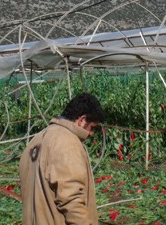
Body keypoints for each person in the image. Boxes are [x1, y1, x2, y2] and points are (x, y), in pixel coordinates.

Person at [20, 92, 105, 225]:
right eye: (92, 128)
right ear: (82, 120)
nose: (91, 134)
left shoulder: (37, 140)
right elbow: (72, 200)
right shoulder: (67, 143)